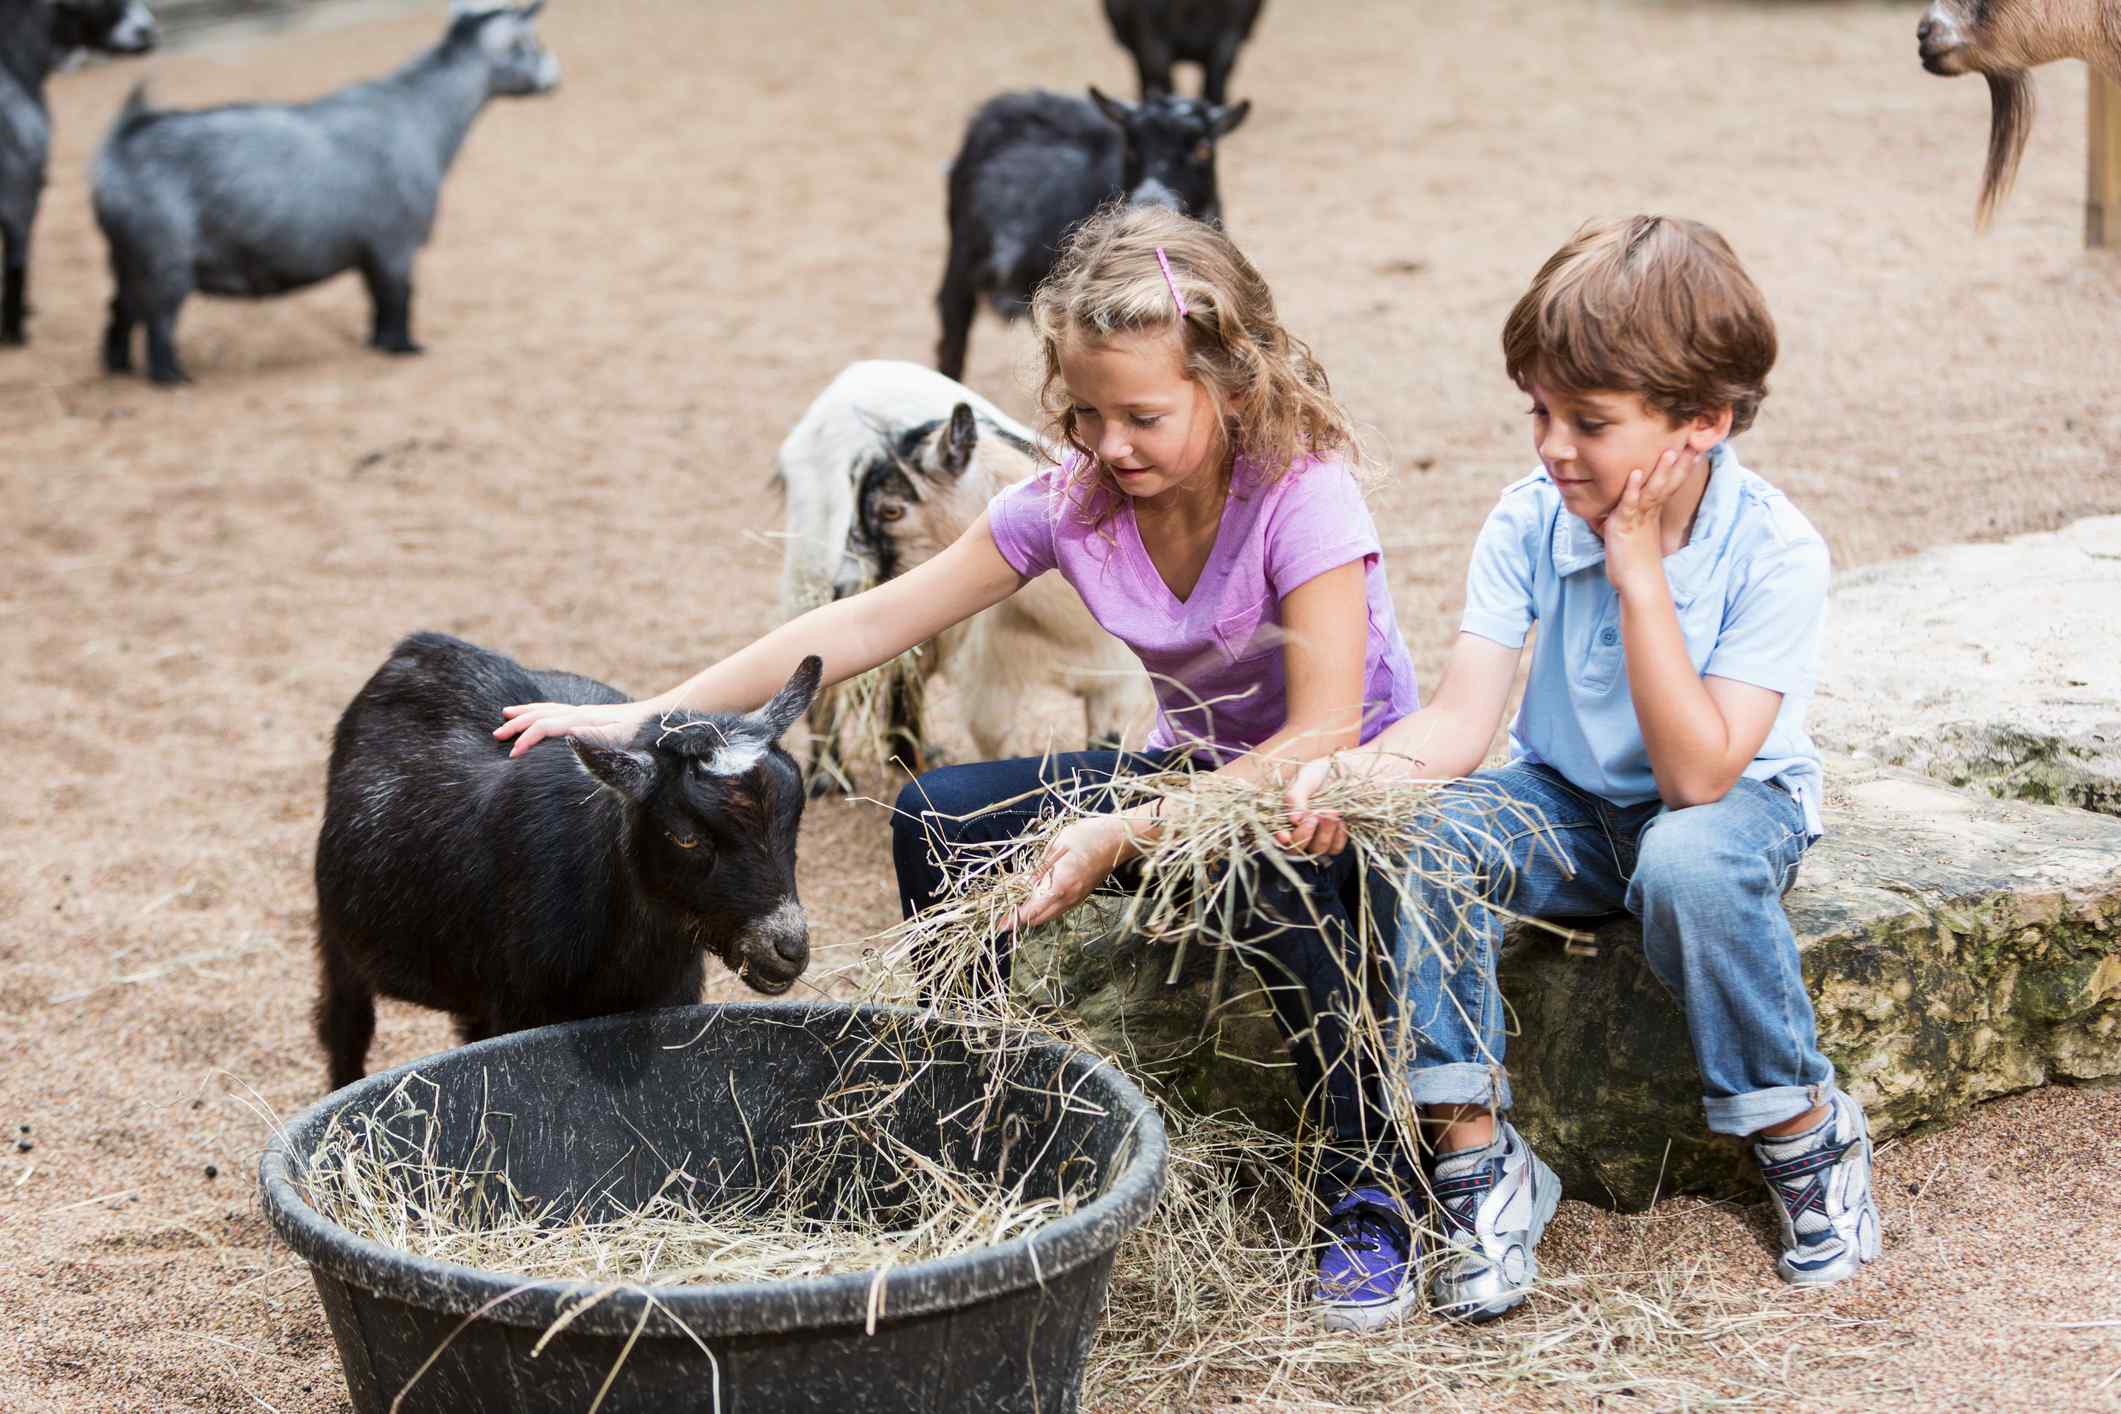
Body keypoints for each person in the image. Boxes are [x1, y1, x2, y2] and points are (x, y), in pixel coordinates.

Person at [496, 203, 1430, 1331]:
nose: (1110, 443)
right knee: (939, 813)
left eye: (1142, 415)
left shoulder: (1301, 490)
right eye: (1083, 414)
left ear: (1231, 387)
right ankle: (975, 1122)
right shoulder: (1075, 503)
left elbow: (1321, 734)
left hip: (1324, 794)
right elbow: (860, 627)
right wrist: (640, 715)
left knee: (1290, 872)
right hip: (1180, 771)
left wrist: (1122, 834)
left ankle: (1369, 1182)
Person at [1286, 214, 1880, 1324]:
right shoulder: (1526, 521)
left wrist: (1639, 570)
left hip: (1725, 807)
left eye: (1590, 421)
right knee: (1427, 834)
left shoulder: (1775, 549)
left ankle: (1804, 1134)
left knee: (1689, 867)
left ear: (1703, 423)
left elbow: (1702, 775)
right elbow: (1464, 721)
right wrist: (1363, 778)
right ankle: (1477, 1158)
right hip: (1562, 803)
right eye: (1541, 413)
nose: (1553, 446)